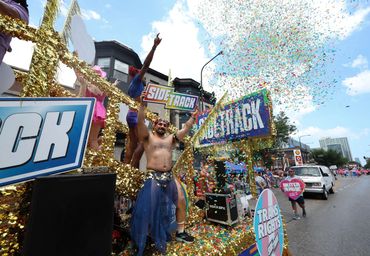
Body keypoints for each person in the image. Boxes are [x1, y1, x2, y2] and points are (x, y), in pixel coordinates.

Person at [130, 92, 197, 255]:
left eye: (164, 125)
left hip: (170, 176)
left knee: (181, 200)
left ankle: (181, 232)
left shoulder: (170, 140)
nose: (162, 126)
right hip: (154, 177)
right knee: (148, 208)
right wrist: (142, 105)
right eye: (159, 123)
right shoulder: (147, 137)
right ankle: (143, 239)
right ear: (154, 125)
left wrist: (193, 118)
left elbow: (185, 129)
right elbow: (139, 121)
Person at [124, 33, 162, 168]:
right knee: (142, 144)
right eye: (142, 74)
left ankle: (126, 172)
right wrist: (154, 47)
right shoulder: (137, 81)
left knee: (132, 145)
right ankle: (132, 174)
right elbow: (146, 64)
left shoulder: (134, 86)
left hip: (132, 115)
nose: (145, 77)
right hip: (136, 116)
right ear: (138, 74)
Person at [76, 65, 107, 150]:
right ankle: (95, 159)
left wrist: (83, 84)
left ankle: (92, 159)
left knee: (85, 139)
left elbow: (80, 97)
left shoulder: (87, 85)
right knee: (92, 139)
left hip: (89, 109)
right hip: (98, 111)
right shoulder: (103, 88)